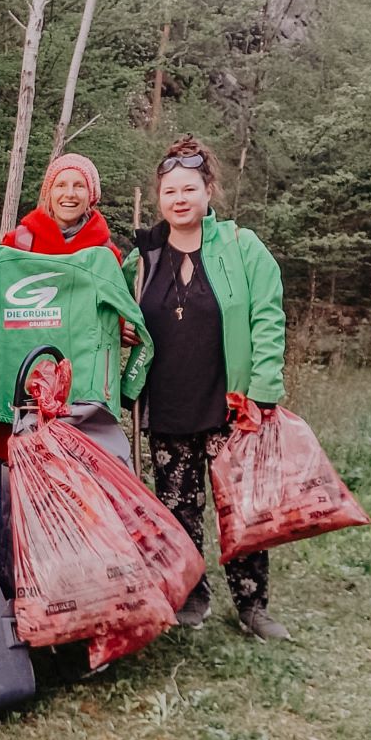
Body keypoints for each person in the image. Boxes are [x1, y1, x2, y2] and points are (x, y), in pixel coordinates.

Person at [121, 135, 290, 641]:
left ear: (208, 191)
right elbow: (113, 312)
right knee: (178, 509)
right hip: (168, 405)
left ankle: (253, 605)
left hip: (229, 405)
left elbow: (268, 318)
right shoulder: (142, 259)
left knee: (241, 509)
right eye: (170, 191)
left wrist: (262, 391)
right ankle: (192, 595)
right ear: (159, 197)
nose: (179, 199)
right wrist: (123, 327)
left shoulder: (242, 247)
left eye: (189, 189)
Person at [0, 152, 129, 463]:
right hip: (22, 378)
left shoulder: (106, 253)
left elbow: (112, 316)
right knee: (18, 477)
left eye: (79, 186)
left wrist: (125, 327)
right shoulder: (19, 242)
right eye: (61, 185)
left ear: (91, 195)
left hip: (79, 386)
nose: (70, 194)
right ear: (48, 192)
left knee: (74, 477)